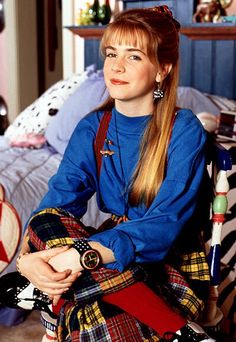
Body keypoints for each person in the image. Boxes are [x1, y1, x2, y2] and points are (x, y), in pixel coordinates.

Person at [0, 5, 215, 342]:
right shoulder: (92, 128)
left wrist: (81, 256)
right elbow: (52, 207)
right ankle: (179, 331)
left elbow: (165, 224)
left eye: (134, 56)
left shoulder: (184, 129)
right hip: (107, 256)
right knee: (45, 221)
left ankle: (57, 300)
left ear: (162, 69)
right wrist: (27, 261)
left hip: (169, 261)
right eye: (112, 53)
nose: (115, 65)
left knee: (91, 315)